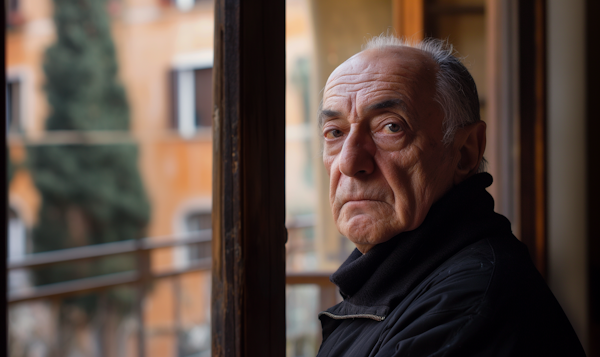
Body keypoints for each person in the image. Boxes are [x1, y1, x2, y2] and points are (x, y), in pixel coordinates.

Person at [316, 35, 585, 356]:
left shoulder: (466, 307)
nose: (349, 162)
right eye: (335, 132)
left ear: (466, 151)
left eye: (390, 127)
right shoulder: (396, 280)